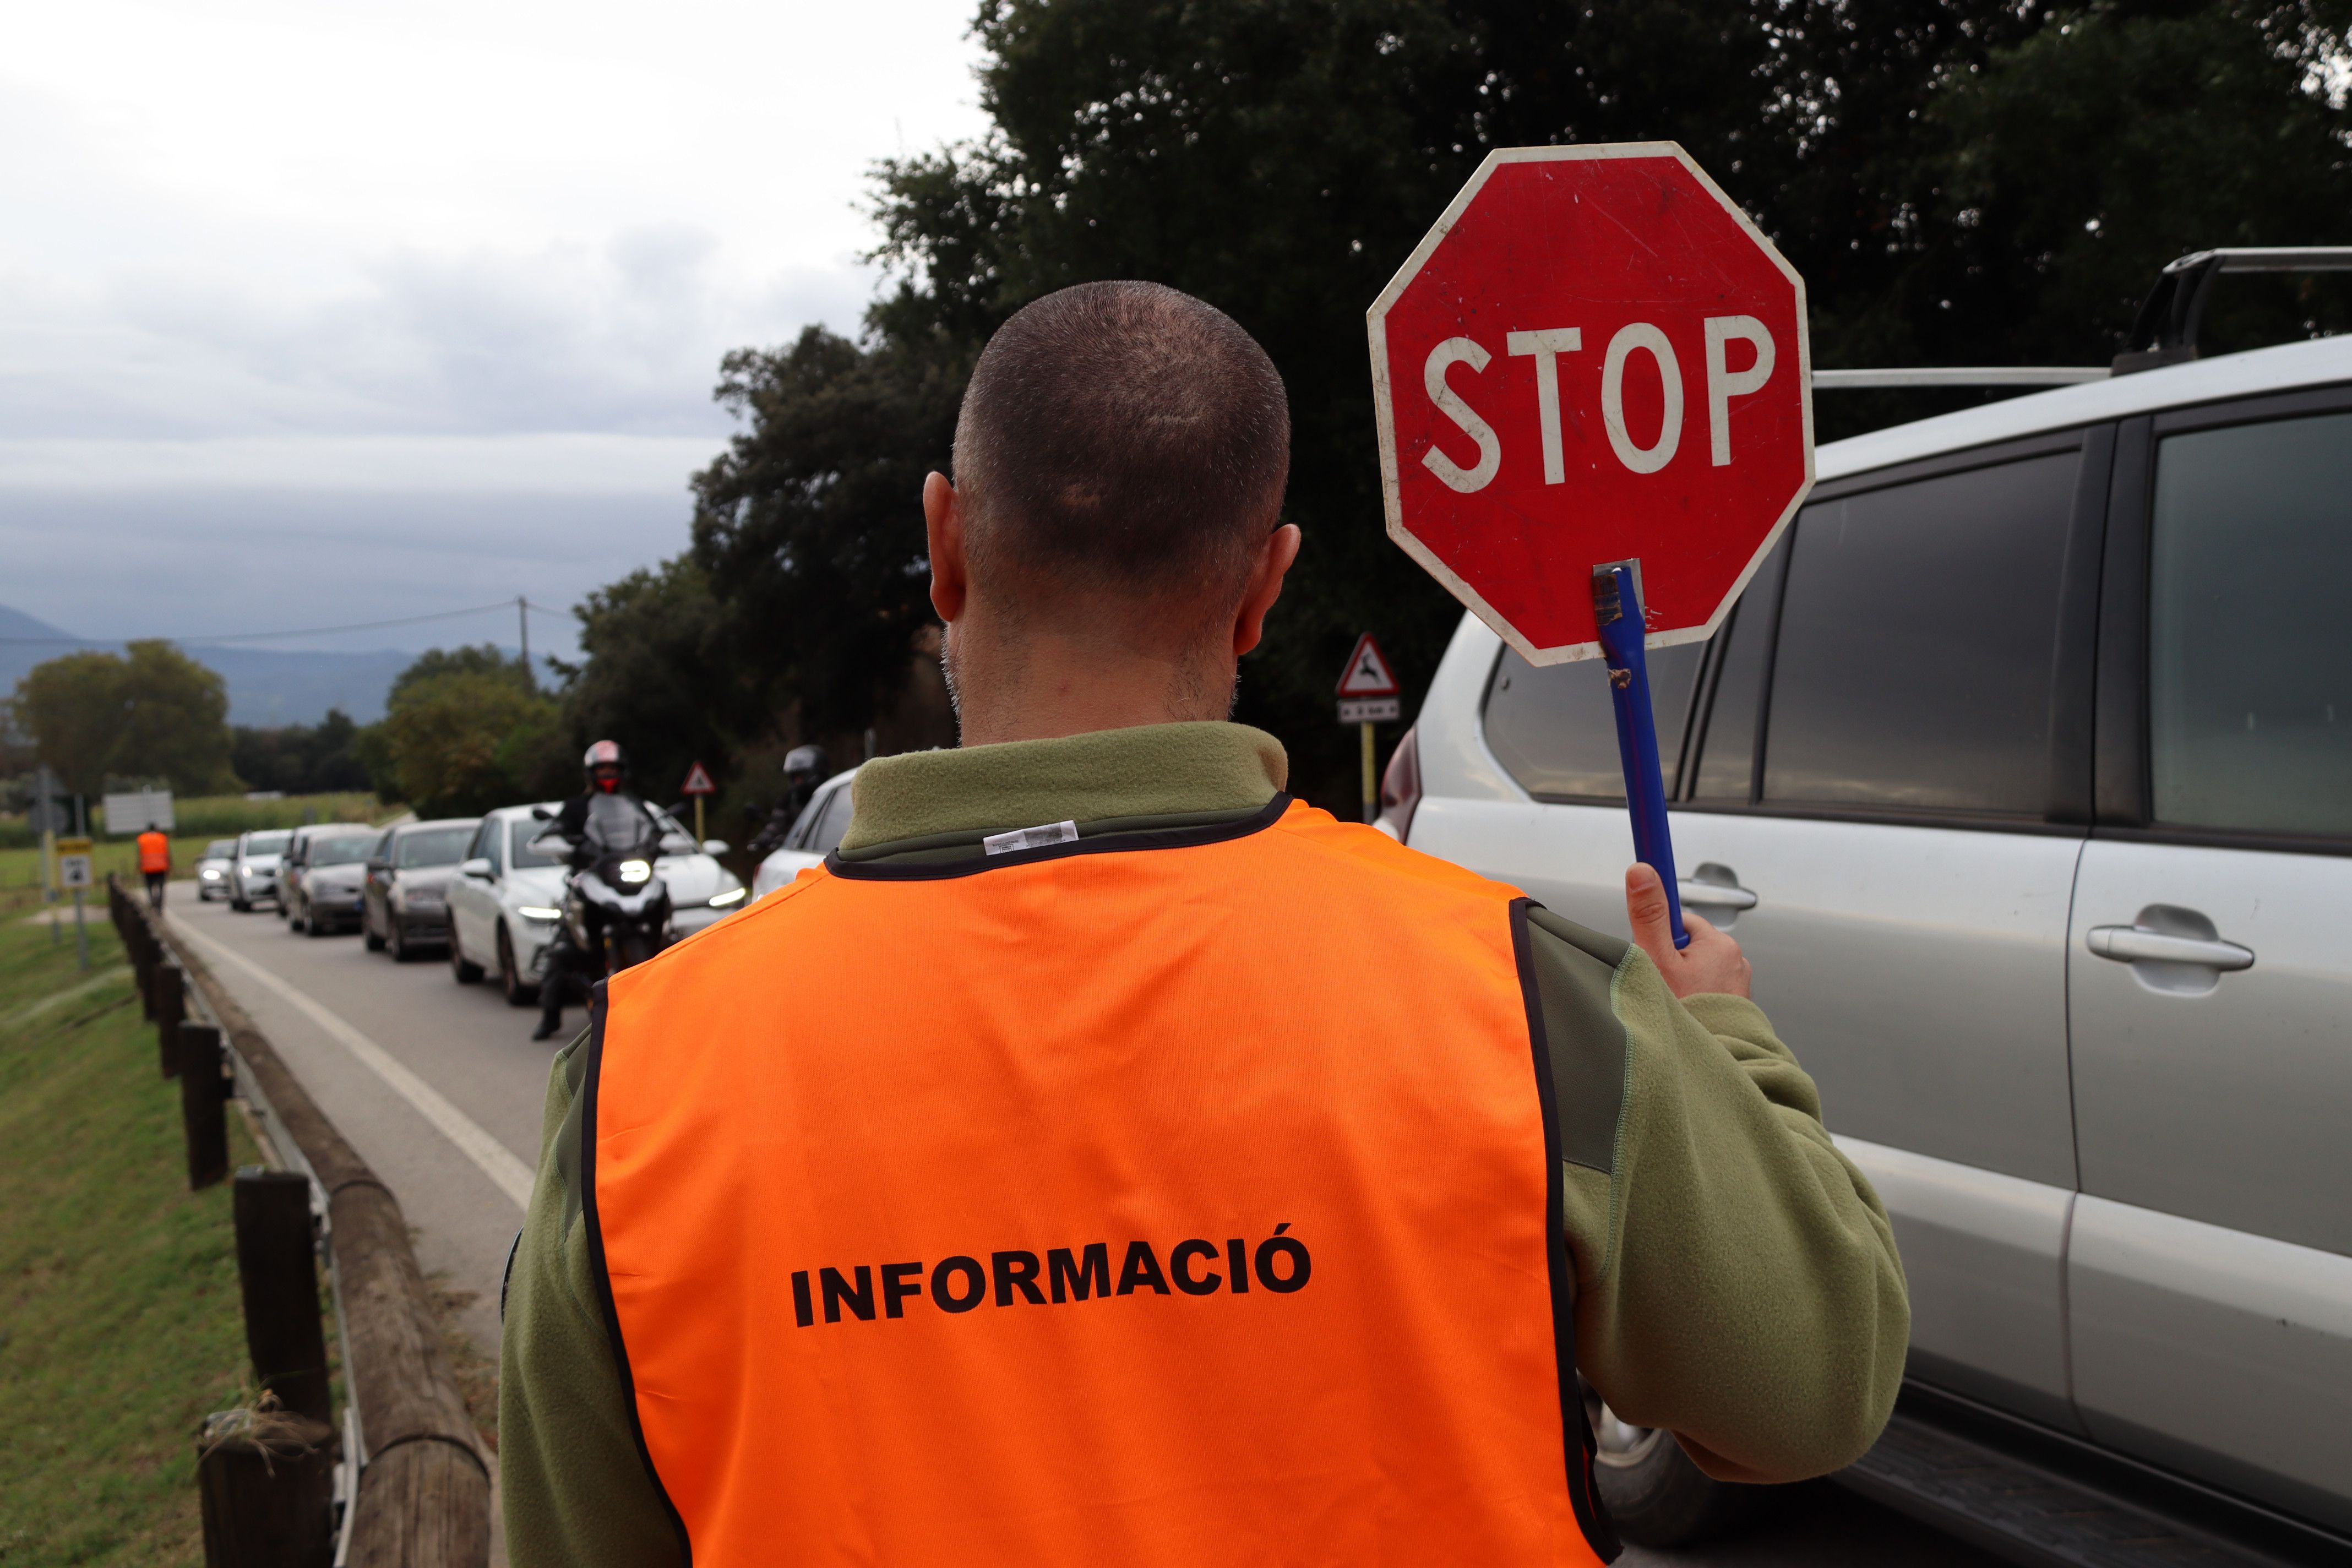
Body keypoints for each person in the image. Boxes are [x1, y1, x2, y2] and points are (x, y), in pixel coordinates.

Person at [500, 282, 1909, 1567]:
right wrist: (1723, 1033)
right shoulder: (1516, 995)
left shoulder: (638, 1081)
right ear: (1263, 585)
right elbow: (1814, 1386)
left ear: (944, 545)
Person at [531, 741, 660, 1043]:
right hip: (591, 877)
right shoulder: (576, 806)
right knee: (563, 947)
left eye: (612, 769)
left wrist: (657, 843)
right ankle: (549, 1016)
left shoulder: (635, 804)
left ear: (623, 771)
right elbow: (557, 831)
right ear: (591, 773)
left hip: (628, 875)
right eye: (602, 769)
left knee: (669, 915)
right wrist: (560, 838)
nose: (607, 774)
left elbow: (653, 831)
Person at [744, 743, 832, 861]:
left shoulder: (831, 796)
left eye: (800, 777)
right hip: (801, 859)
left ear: (816, 773)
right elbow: (777, 823)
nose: (797, 782)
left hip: (829, 855)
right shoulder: (788, 800)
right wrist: (767, 836)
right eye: (794, 778)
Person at [136, 823, 171, 911]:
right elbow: (167, 853)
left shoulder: (142, 839)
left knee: (149, 887)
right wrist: (169, 866)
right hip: (161, 868)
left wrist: (139, 866)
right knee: (161, 888)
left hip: (148, 868)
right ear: (156, 829)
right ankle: (159, 906)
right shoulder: (162, 838)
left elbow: (140, 854)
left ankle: (152, 903)